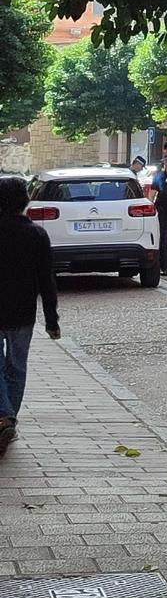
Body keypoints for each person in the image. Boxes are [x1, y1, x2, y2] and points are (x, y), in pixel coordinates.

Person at [0, 176, 60, 457]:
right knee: (16, 366)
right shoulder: (36, 234)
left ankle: (4, 416)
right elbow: (46, 279)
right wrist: (52, 319)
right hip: (23, 312)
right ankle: (8, 418)